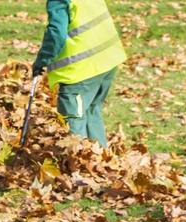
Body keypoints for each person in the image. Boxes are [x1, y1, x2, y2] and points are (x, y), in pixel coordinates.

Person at [32, 0, 127, 147]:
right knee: (91, 113)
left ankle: (78, 164)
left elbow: (56, 33)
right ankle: (101, 162)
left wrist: (42, 59)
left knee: (73, 123)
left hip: (81, 69)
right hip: (107, 59)